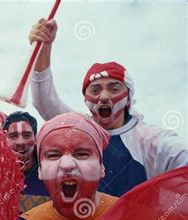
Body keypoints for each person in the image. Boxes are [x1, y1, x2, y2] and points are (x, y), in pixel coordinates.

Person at [28, 18, 188, 196]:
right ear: (85, 100)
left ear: (128, 98)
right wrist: (44, 48)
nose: (103, 97)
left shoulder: (150, 139)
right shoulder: (79, 127)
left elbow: (181, 154)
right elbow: (45, 102)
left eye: (114, 88)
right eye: (95, 90)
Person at [21, 112, 118, 220]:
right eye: (53, 155)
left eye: (82, 154)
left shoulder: (128, 217)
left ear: (101, 168)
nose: (67, 165)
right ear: (40, 170)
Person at [4, 111, 50, 213]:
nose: (20, 142)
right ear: (4, 140)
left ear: (36, 139)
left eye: (26, 135)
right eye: (13, 136)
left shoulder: (51, 174)